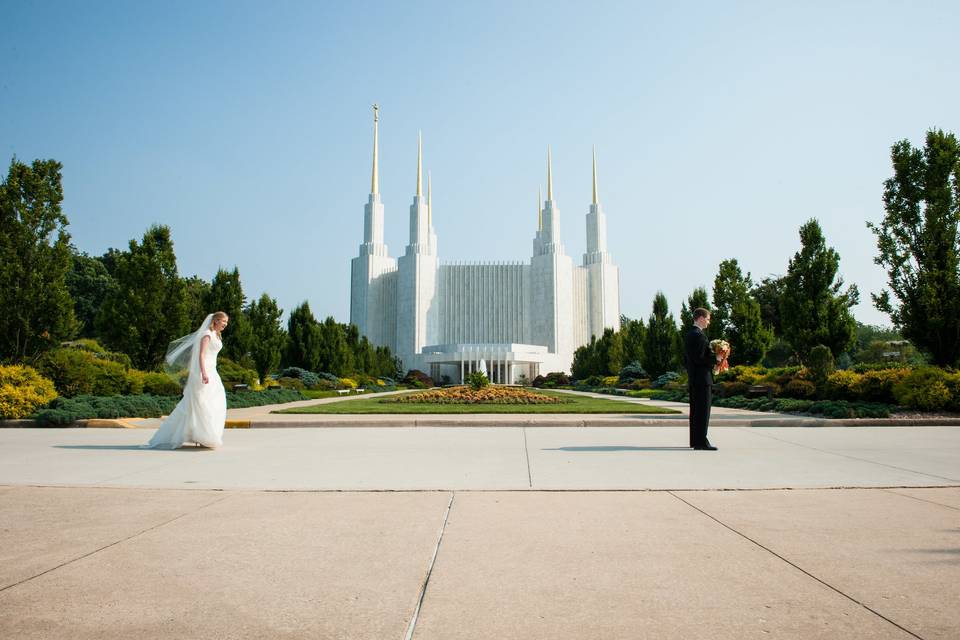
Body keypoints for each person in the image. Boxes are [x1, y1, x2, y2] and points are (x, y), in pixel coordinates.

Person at [146, 312, 229, 449]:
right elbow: (201, 354)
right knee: (201, 403)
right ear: (215, 320)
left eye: (226, 322)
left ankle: (205, 435)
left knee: (213, 402)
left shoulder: (216, 335)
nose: (225, 324)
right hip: (205, 371)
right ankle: (202, 436)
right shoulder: (207, 334)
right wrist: (203, 373)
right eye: (223, 321)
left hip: (213, 371)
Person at [684, 308, 719, 451]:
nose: (709, 322)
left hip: (694, 378)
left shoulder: (690, 334)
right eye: (708, 319)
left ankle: (695, 440)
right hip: (702, 379)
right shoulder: (698, 335)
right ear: (700, 318)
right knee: (703, 411)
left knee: (696, 411)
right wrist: (715, 359)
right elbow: (699, 358)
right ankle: (701, 442)